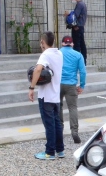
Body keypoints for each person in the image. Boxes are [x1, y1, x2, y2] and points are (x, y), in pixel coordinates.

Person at [29, 32, 64, 160]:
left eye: (41, 42)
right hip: (55, 95)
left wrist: (31, 87)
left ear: (43, 42)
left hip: (46, 96)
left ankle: (49, 152)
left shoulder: (45, 55)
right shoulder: (59, 53)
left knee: (49, 124)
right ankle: (60, 150)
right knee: (57, 123)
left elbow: (38, 69)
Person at [59, 35, 86, 144]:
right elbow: (83, 72)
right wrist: (82, 86)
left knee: (58, 106)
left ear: (62, 43)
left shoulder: (58, 53)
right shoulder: (78, 55)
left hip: (58, 84)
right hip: (71, 85)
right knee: (73, 108)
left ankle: (59, 130)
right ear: (72, 44)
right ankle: (74, 132)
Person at [64, 0, 88, 64]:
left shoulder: (79, 4)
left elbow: (74, 16)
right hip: (81, 27)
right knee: (82, 44)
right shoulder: (83, 4)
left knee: (77, 45)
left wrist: (68, 14)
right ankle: (83, 61)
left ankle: (77, 62)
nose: (72, 0)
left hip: (77, 27)